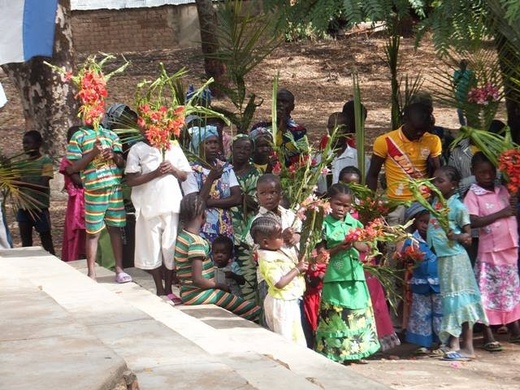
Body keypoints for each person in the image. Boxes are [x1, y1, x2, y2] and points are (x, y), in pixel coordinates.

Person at [427, 165, 488, 361]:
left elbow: (468, 236)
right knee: (450, 301)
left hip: (456, 259)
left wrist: (456, 236)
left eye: (440, 181)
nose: (435, 184)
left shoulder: (458, 207)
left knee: (461, 300)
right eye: (433, 180)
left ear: (453, 185)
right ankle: (453, 344)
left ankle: (468, 347)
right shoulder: (435, 203)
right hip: (444, 260)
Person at [315, 184, 380, 364]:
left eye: (346, 206)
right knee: (338, 314)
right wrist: (337, 248)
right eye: (338, 204)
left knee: (357, 312)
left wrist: (356, 243)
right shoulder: (323, 224)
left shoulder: (355, 224)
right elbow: (320, 255)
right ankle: (337, 352)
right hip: (335, 278)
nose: (341, 209)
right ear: (329, 202)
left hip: (355, 275)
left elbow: (368, 246)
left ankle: (356, 351)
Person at [125, 126, 192, 299]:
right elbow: (131, 180)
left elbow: (184, 175)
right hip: (148, 205)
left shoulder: (172, 147)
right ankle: (158, 286)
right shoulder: (137, 149)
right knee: (152, 247)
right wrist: (155, 173)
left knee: (169, 246)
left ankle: (168, 287)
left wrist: (173, 170)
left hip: (171, 204)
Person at [338, 167, 400, 352]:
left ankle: (377, 339)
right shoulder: (335, 209)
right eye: (346, 184)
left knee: (373, 299)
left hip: (366, 260)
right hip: (345, 261)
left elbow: (376, 236)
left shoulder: (366, 209)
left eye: (355, 185)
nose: (352, 188)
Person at [464, 152, 520, 350]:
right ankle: (488, 333)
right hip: (491, 252)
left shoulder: (503, 189)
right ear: (473, 173)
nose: (487, 176)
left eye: (490, 172)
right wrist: (502, 214)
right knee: (488, 292)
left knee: (510, 291)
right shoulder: (473, 194)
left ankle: (514, 327)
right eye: (482, 172)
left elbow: (512, 212)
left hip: (510, 248)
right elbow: (473, 220)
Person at [174, 193, 260, 321]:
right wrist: (218, 285)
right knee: (253, 309)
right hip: (199, 294)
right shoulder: (196, 242)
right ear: (203, 214)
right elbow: (197, 279)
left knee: (235, 307)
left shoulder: (182, 237)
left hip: (187, 292)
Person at [67, 124, 132, 283]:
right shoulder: (78, 137)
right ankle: (91, 273)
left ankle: (119, 269)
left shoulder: (111, 135)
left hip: (114, 189)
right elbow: (73, 168)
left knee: (115, 228)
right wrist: (93, 153)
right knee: (93, 232)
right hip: (94, 190)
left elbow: (121, 163)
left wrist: (113, 155)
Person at [366, 102, 442, 226]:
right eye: (416, 129)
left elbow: (438, 172)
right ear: (405, 120)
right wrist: (369, 203)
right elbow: (373, 174)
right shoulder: (384, 141)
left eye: (423, 130)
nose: (419, 133)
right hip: (396, 204)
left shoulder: (433, 140)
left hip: (423, 203)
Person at [245, 174, 301, 311]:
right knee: (273, 312)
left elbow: (301, 233)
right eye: (263, 193)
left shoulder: (290, 215)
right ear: (257, 196)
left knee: (291, 312)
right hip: (270, 276)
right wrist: (281, 237)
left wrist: (296, 236)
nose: (268, 197)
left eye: (273, 192)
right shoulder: (257, 222)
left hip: (291, 272)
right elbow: (256, 249)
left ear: (280, 195)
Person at [252, 215, 308, 345]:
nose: (283, 238)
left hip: (289, 300)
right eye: (279, 236)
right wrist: (297, 270)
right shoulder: (267, 260)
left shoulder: (275, 251)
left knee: (295, 335)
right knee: (285, 337)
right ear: (266, 242)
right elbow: (279, 283)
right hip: (281, 304)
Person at [182, 126, 241, 243]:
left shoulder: (226, 168)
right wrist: (210, 179)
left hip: (225, 228)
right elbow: (195, 205)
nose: (213, 146)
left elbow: (237, 198)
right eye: (208, 143)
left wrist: (209, 202)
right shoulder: (190, 171)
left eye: (215, 142)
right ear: (198, 146)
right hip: (201, 229)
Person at [400, 203, 442, 354]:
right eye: (422, 222)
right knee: (421, 313)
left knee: (440, 312)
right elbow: (405, 261)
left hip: (439, 283)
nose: (425, 226)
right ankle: (423, 343)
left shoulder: (439, 238)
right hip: (420, 283)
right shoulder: (411, 240)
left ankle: (441, 341)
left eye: (428, 222)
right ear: (415, 222)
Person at [230, 134, 260, 300]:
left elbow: (254, 202)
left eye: (247, 149)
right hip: (224, 230)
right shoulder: (224, 169)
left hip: (243, 232)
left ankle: (252, 312)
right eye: (239, 148)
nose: (242, 151)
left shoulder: (254, 174)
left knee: (247, 276)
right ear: (231, 148)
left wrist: (237, 194)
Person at [16, 130, 55, 255]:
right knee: (26, 242)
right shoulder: (20, 164)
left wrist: (23, 183)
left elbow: (43, 185)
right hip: (24, 208)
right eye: (23, 143)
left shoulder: (45, 161)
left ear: (38, 144)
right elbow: (15, 182)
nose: (25, 146)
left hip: (40, 208)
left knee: (46, 239)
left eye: (28, 143)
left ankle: (53, 263)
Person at [251, 88, 308, 167]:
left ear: (292, 107)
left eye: (284, 102)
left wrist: (284, 129)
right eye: (277, 101)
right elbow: (250, 151)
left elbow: (302, 156)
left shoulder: (299, 131)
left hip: (289, 175)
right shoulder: (259, 127)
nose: (280, 104)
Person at [59, 126, 86, 261]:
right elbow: (77, 180)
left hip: (89, 198)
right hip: (77, 201)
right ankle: (75, 258)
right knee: (75, 232)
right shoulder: (67, 160)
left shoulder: (88, 157)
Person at [453, 59, 474, 126]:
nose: (462, 66)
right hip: (460, 94)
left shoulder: (470, 73)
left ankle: (469, 125)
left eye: (464, 65)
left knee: (469, 111)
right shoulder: (457, 72)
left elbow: (474, 83)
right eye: (461, 65)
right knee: (460, 111)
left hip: (468, 94)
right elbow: (455, 83)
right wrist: (460, 76)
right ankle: (463, 125)